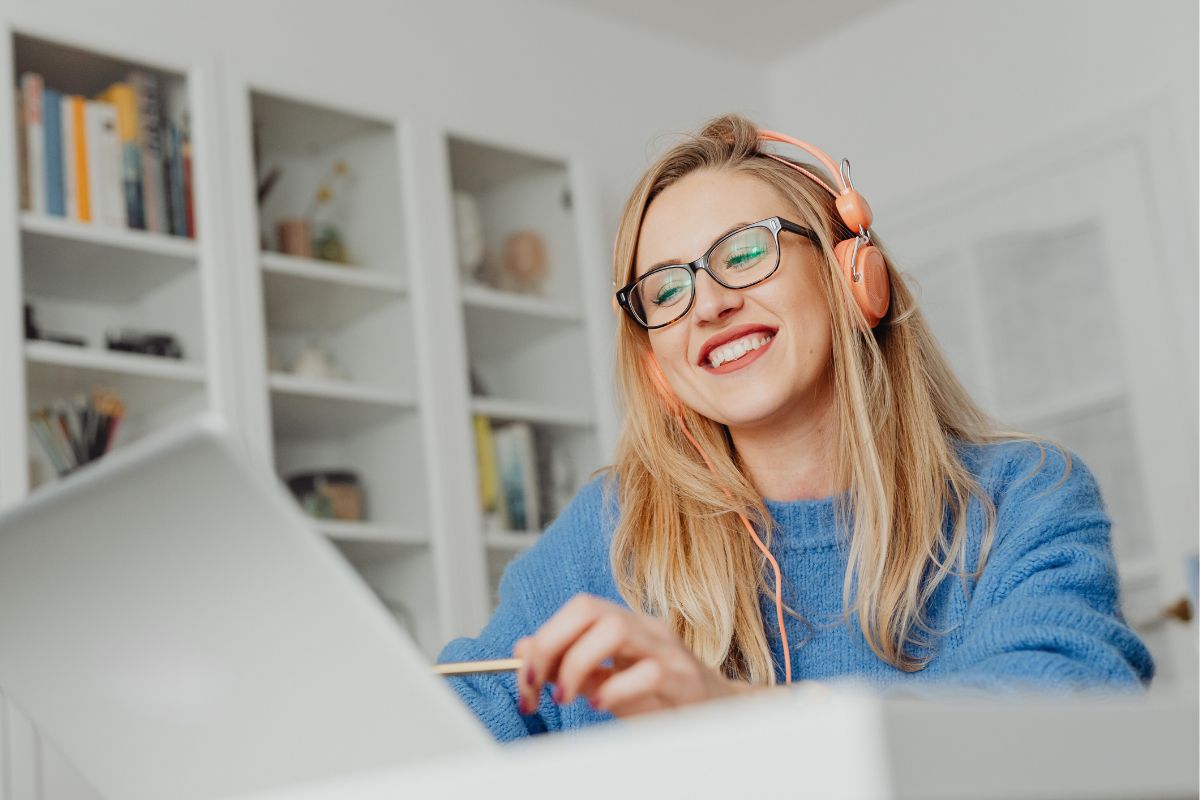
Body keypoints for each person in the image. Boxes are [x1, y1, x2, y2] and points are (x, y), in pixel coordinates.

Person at [437, 113, 1154, 742]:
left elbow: (1064, 711)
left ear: (853, 278)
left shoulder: (1023, 499)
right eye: (666, 290)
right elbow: (451, 721)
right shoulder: (607, 534)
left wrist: (732, 712)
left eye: (745, 253)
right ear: (658, 364)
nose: (707, 305)